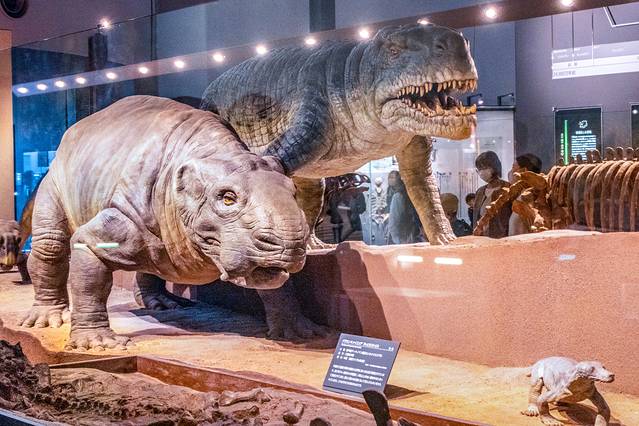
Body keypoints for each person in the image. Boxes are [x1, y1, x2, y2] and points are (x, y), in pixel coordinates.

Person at [473, 151, 511, 238]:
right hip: (482, 238)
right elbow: (476, 218)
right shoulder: (480, 192)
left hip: (502, 238)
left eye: (484, 167)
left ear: (494, 166)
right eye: (479, 169)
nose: (481, 172)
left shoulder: (508, 188)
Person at [508, 153, 542, 236]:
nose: (510, 172)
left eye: (513, 167)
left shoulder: (527, 198)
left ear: (524, 171)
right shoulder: (521, 196)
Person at [386, 171, 421, 244]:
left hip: (404, 233)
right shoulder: (390, 192)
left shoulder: (399, 195)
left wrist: (396, 239)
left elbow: (394, 219)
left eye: (392, 177)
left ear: (399, 179)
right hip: (405, 233)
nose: (390, 179)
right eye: (389, 177)